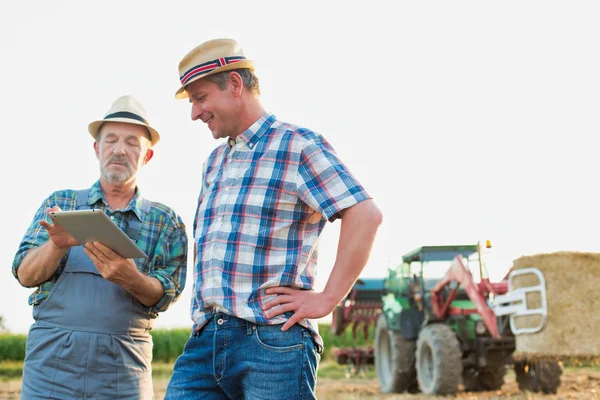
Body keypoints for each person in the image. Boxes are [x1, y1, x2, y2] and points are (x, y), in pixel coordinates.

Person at [165, 38, 383, 399]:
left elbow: (365, 214)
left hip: (270, 341)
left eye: (200, 98)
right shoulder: (214, 162)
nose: (194, 113)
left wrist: (328, 298)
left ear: (235, 85)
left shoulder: (296, 145)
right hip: (204, 343)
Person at [13, 95, 188, 400]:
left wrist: (130, 278)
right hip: (49, 370)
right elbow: (25, 275)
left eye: (133, 142)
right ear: (97, 148)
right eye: (111, 140)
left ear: (147, 156)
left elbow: (167, 294)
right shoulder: (61, 203)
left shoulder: (166, 221)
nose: (120, 149)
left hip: (122, 372)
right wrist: (55, 246)